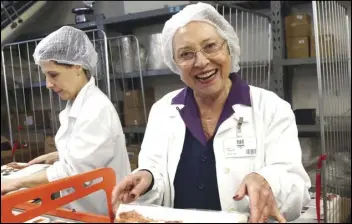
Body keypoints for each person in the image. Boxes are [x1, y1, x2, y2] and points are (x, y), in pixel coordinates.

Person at [111, 2, 311, 223]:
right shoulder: (162, 111)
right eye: (186, 54)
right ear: (175, 63)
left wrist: (267, 181)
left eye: (210, 46)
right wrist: (147, 179)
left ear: (228, 47)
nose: (202, 62)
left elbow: (297, 188)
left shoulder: (271, 108)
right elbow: (156, 174)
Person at [1, 26, 131, 215]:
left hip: (100, 211)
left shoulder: (95, 110)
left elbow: (70, 172)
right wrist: (57, 155)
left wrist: (16, 182)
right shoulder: (79, 103)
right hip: (81, 207)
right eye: (46, 75)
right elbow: (90, 154)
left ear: (77, 66)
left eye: (53, 75)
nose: (48, 84)